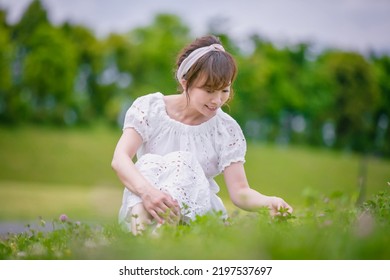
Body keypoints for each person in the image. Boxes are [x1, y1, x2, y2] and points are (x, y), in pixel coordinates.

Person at [111, 35, 293, 235]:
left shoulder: (225, 129)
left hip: (196, 218)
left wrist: (269, 203)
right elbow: (120, 159)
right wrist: (148, 193)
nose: (217, 100)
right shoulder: (150, 108)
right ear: (185, 82)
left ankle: (160, 240)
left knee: (183, 161)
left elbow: (240, 191)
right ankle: (144, 238)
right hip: (146, 205)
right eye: (208, 90)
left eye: (224, 90)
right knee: (148, 164)